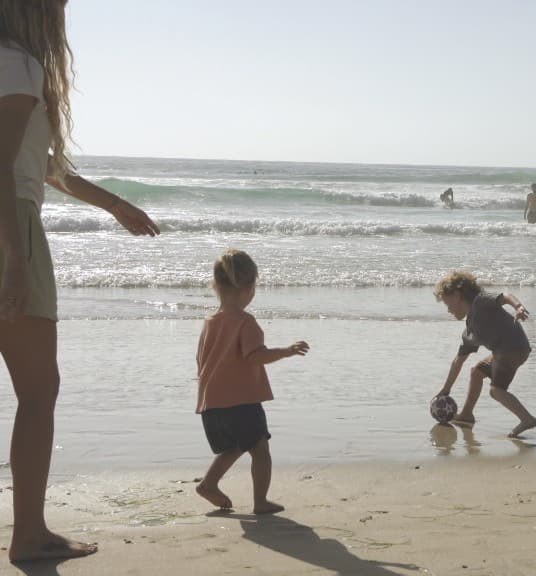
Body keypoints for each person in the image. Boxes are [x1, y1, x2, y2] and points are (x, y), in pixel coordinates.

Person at [0, 1, 160, 562]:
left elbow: (40, 164)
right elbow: (4, 167)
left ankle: (30, 531)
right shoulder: (19, 64)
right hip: (11, 227)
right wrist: (16, 256)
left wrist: (113, 204)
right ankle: (28, 534)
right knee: (38, 393)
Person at [195, 249, 309, 515]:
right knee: (260, 449)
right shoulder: (245, 322)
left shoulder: (210, 322)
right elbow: (255, 355)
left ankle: (209, 484)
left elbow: (201, 360)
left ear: (215, 286)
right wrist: (286, 351)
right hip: (241, 400)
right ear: (250, 288)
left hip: (212, 402)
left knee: (234, 446)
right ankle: (260, 501)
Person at [433, 271, 536, 438]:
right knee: (477, 372)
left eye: (447, 304)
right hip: (510, 350)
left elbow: (505, 296)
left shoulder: (480, 301)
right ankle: (466, 415)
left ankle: (527, 419)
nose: (448, 310)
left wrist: (518, 307)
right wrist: (446, 389)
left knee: (496, 391)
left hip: (510, 349)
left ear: (457, 295)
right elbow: (458, 361)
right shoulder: (470, 332)